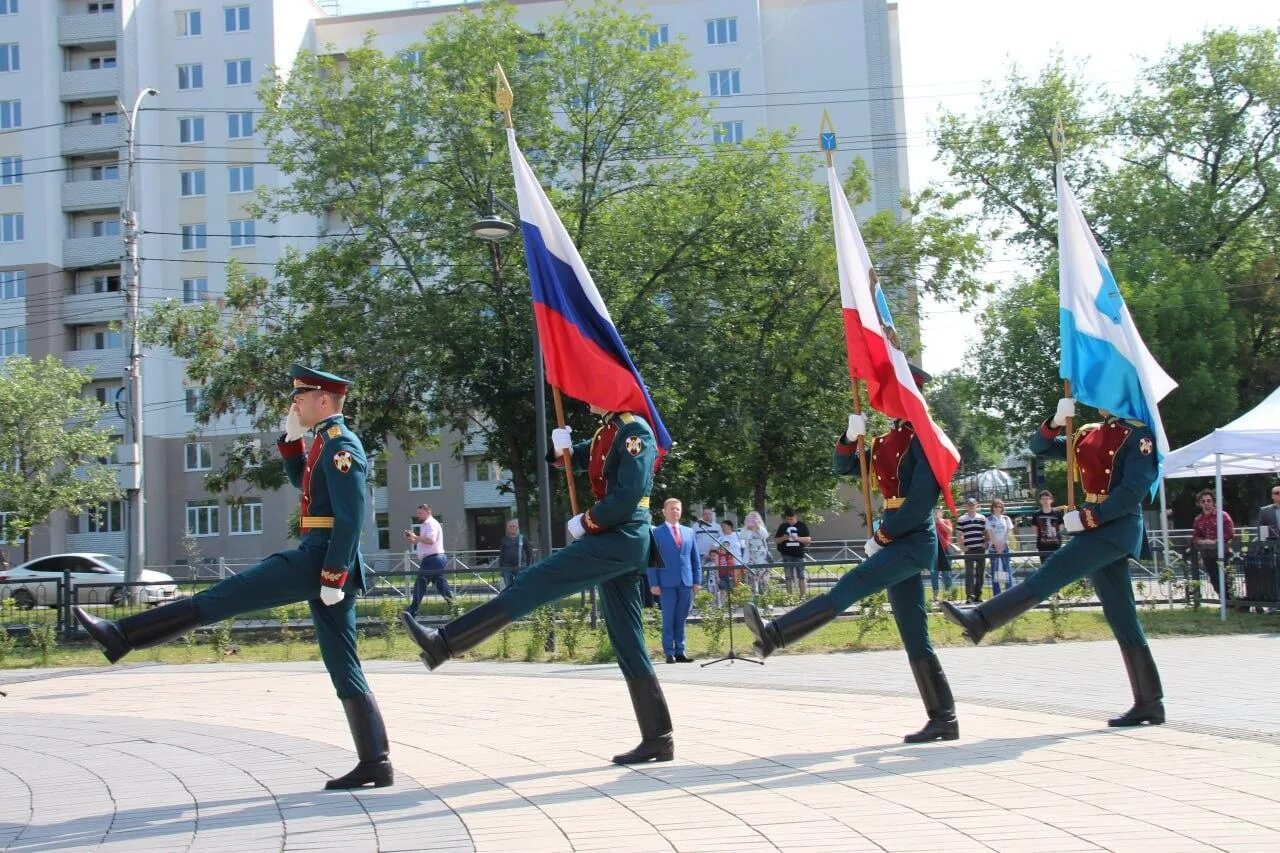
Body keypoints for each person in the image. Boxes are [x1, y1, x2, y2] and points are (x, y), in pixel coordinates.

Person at [74, 365, 393, 788]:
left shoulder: (342, 445)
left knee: (225, 596)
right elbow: (307, 485)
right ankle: (376, 761)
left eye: (301, 397)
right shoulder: (322, 443)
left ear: (323, 400)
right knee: (342, 662)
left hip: (320, 559)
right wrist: (292, 441)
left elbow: (351, 518)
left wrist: (333, 575)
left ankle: (122, 635)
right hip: (317, 556)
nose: (294, 403)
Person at [401, 405, 678, 764]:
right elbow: (571, 459)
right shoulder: (607, 431)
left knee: (532, 583)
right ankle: (658, 736)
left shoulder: (634, 430)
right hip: (615, 541)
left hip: (620, 538)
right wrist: (558, 447)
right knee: (627, 640)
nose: (585, 394)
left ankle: (445, 643)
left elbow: (628, 496)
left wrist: (589, 520)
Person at [744, 365, 960, 744]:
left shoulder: (927, 440)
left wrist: (883, 533)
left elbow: (921, 502)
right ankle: (944, 717)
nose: (888, 401)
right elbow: (841, 466)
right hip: (894, 539)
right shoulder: (884, 442)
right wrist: (849, 436)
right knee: (913, 632)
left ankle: (774, 636)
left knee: (849, 586)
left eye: (894, 392)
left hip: (912, 540)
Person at [943, 397, 1168, 728]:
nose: (1091, 394)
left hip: (1114, 529)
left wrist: (1089, 518)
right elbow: (1039, 446)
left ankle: (981, 619)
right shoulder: (1088, 433)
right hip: (1097, 527)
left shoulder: (1139, 436)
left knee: (1050, 575)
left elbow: (1132, 491)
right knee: (1121, 616)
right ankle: (1150, 702)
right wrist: (1056, 421)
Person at [648, 498, 700, 663]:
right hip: (666, 583)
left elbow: (695, 559)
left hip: (686, 582)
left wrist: (697, 581)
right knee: (669, 618)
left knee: (681, 618)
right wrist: (653, 583)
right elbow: (652, 559)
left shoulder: (689, 532)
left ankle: (680, 651)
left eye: (677, 509)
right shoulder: (656, 533)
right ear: (664, 512)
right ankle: (669, 652)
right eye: (671, 509)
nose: (675, 512)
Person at [404, 504, 453, 614]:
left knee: (420, 583)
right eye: (417, 514)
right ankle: (456, 608)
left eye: (420, 513)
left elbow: (431, 540)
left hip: (432, 560)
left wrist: (415, 536)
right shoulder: (426, 524)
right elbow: (422, 542)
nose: (418, 516)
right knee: (442, 586)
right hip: (435, 560)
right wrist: (411, 538)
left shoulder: (431, 524)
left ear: (428, 512)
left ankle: (411, 612)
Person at [1191, 489, 1235, 602]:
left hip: (1223, 552)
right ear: (1199, 504)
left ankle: (1230, 602)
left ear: (1213, 502)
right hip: (1207, 554)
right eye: (1203, 501)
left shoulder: (1223, 515)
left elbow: (1230, 533)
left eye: (1209, 500)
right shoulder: (1198, 519)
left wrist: (1215, 541)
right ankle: (1225, 601)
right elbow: (1195, 537)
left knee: (1225, 579)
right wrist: (1203, 542)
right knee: (1214, 579)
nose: (1206, 503)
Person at [955, 498, 987, 603]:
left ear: (976, 505)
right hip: (969, 549)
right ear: (966, 506)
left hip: (980, 549)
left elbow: (986, 532)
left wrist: (986, 543)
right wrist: (962, 547)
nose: (971, 506)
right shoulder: (961, 519)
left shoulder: (982, 518)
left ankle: (978, 595)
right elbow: (959, 534)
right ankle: (970, 596)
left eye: (973, 505)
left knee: (980, 573)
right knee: (969, 573)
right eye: (969, 505)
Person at [774, 508, 811, 598]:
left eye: (791, 519)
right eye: (788, 519)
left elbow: (808, 540)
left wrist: (797, 538)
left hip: (799, 554)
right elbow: (776, 540)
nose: (790, 521)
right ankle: (789, 598)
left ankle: (803, 597)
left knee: (801, 576)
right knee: (788, 577)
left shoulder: (802, 525)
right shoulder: (783, 526)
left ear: (795, 517)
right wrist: (783, 538)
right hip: (786, 554)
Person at [985, 499, 1015, 594]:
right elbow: (990, 533)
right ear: (992, 508)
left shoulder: (1006, 518)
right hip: (993, 547)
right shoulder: (989, 519)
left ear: (1002, 508)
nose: (998, 508)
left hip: (1004, 546)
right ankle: (996, 594)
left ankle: (1009, 593)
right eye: (996, 506)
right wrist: (996, 545)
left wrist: (1002, 544)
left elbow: (1008, 532)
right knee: (995, 570)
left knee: (1007, 569)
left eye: (1000, 506)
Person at [712, 519, 745, 604]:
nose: (722, 528)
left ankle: (737, 602)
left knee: (737, 582)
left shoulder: (738, 535)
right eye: (722, 527)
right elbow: (713, 549)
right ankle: (727, 603)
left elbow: (744, 547)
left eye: (724, 526)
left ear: (730, 526)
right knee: (728, 584)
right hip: (725, 565)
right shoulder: (721, 538)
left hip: (737, 562)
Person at [740, 511, 772, 594]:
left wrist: (757, 525)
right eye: (749, 518)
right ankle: (754, 598)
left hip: (762, 559)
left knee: (763, 580)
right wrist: (747, 526)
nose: (751, 521)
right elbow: (742, 537)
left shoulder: (761, 529)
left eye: (753, 518)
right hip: (751, 559)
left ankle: (764, 598)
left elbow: (765, 535)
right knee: (752, 580)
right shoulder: (746, 530)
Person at [496, 518, 533, 590]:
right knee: (508, 587)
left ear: (517, 527)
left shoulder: (523, 538)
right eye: (510, 526)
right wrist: (501, 568)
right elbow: (501, 555)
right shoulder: (504, 539)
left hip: (521, 566)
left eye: (513, 526)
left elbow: (529, 553)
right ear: (507, 528)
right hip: (507, 567)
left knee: (520, 586)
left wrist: (529, 566)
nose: (512, 528)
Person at [1031, 490, 1065, 564]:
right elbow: (1035, 530)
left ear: (1051, 500)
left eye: (1047, 499)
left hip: (1056, 545)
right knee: (1044, 566)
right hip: (1042, 546)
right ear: (1040, 501)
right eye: (1043, 499)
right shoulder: (1036, 514)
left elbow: (1061, 527)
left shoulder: (1057, 513)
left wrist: (1058, 537)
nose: (1045, 501)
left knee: (1056, 565)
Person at [931, 508, 955, 604]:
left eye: (938, 511)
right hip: (934, 552)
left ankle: (948, 594)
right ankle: (935, 595)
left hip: (945, 551)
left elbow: (950, 531)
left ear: (942, 513)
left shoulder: (946, 521)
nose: (936, 513)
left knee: (947, 574)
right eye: (935, 512)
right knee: (934, 575)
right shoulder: (931, 524)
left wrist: (940, 522)